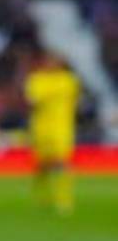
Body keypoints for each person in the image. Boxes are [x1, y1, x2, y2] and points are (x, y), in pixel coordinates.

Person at [24, 50, 80, 215]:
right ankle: (42, 197)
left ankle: (64, 199)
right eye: (49, 61)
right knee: (42, 165)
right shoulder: (36, 79)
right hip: (41, 128)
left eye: (55, 61)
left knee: (62, 162)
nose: (52, 64)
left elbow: (74, 101)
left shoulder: (69, 80)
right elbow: (31, 102)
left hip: (62, 127)